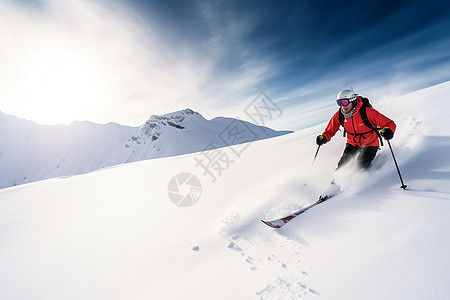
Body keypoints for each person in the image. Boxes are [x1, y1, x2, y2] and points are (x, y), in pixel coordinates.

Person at [316, 88, 396, 170]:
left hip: (370, 143)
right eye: (339, 103)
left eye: (344, 102)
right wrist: (324, 137)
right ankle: (335, 182)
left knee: (361, 166)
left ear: (352, 101)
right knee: (342, 166)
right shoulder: (339, 115)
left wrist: (389, 131)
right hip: (352, 143)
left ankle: (360, 180)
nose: (343, 106)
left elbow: (389, 123)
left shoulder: (367, 112)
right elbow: (330, 130)